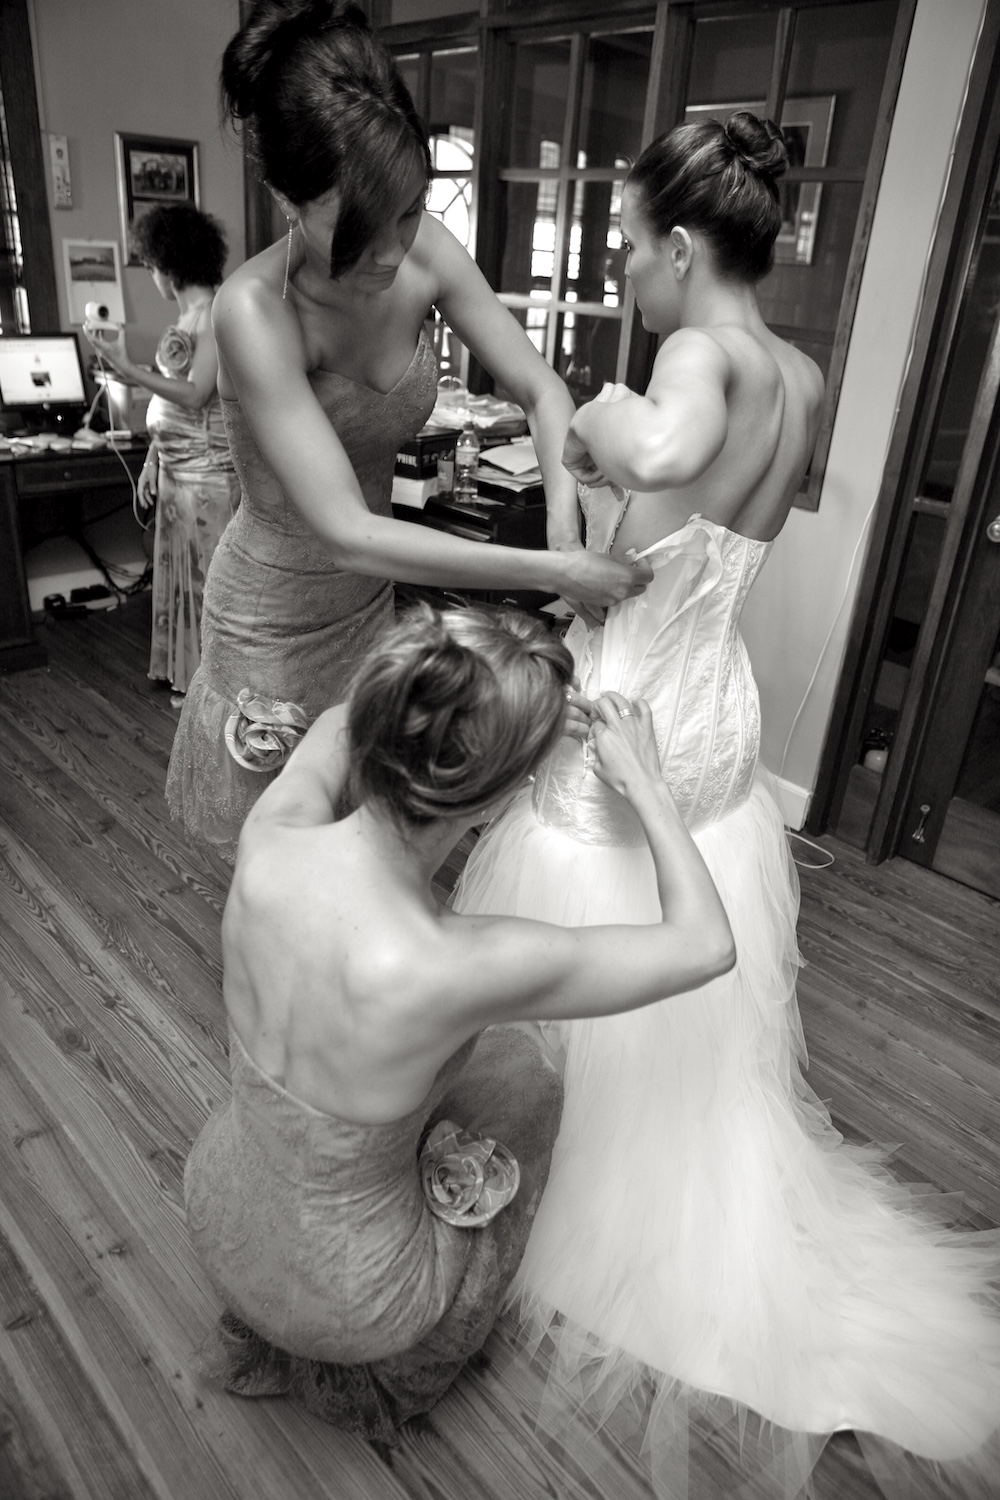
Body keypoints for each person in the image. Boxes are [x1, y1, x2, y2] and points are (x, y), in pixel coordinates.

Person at [453, 113, 1000, 1497]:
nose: (629, 275)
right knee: (688, 933)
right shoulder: (806, 378)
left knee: (575, 929)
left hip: (627, 714)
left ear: (684, 247)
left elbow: (643, 482)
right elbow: (708, 527)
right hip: (718, 720)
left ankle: (579, 1177)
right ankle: (680, 1153)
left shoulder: (695, 357)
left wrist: (587, 421)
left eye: (634, 250)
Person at [183, 603, 734, 1443]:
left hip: (221, 1205)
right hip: (356, 1294)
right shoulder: (460, 964)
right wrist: (645, 781)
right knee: (527, 1078)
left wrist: (467, 674)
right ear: (503, 793)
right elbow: (703, 945)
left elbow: (335, 720)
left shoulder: (272, 834)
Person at [164, 0, 649, 860]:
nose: (391, 250)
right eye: (360, 224)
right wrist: (554, 568)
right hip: (273, 621)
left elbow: (539, 387)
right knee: (283, 862)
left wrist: (565, 519)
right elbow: (349, 532)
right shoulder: (254, 311)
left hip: (367, 607)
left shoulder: (426, 251)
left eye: (409, 209)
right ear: (284, 197)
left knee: (370, 842)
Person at [85, 204, 240, 702]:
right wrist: (154, 459)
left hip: (208, 477)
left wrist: (127, 369)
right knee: (180, 580)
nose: (150, 274)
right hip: (177, 473)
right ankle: (187, 675)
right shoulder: (187, 317)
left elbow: (196, 395)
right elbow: (170, 402)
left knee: (208, 586)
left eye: (149, 264)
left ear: (168, 264)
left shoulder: (215, 315)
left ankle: (213, 688)